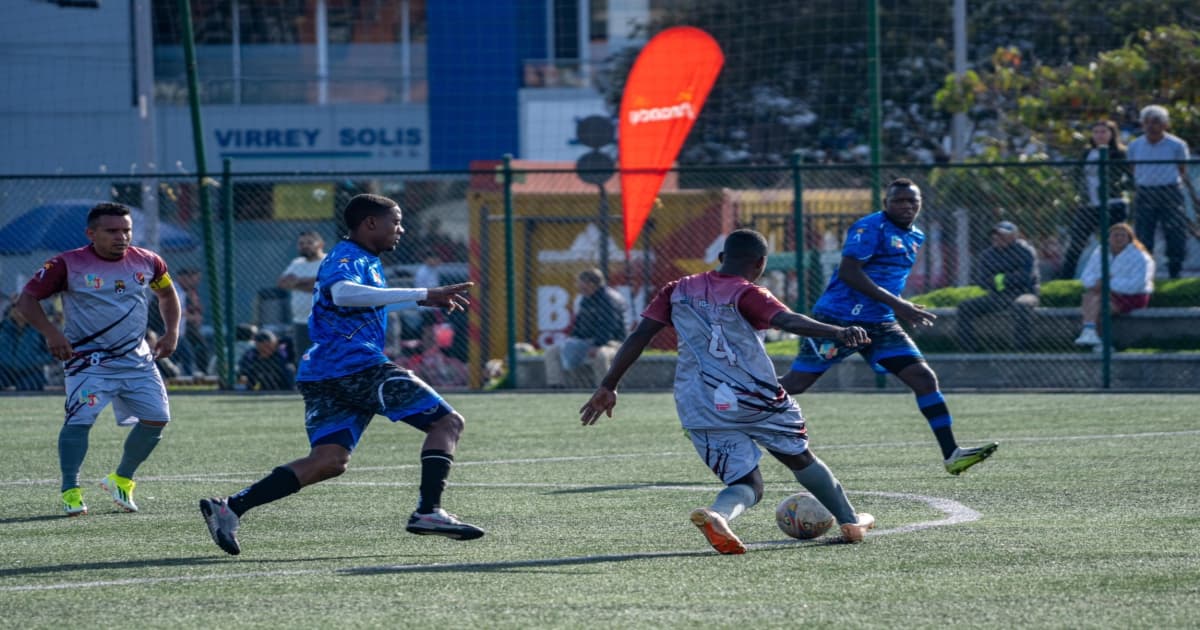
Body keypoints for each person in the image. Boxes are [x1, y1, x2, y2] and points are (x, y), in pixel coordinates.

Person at [199, 193, 483, 556]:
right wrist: (424, 290)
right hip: (354, 365)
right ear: (369, 223)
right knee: (447, 424)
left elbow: (363, 300)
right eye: (394, 221)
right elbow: (344, 294)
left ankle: (230, 508)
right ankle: (429, 511)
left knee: (329, 461)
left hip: (325, 370)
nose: (401, 228)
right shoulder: (348, 257)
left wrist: (420, 301)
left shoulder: (365, 259)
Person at [579, 229, 876, 554]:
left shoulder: (676, 289)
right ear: (761, 263)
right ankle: (850, 521)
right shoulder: (749, 293)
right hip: (753, 397)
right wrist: (838, 332)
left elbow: (640, 335)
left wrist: (609, 384)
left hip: (700, 403)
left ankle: (719, 514)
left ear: (721, 258)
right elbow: (788, 321)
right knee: (798, 456)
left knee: (748, 484)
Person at [778, 178, 999, 475]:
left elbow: (884, 279)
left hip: (881, 323)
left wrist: (895, 306)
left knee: (923, 378)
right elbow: (848, 272)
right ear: (886, 204)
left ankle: (952, 454)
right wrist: (899, 304)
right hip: (838, 320)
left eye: (912, 201)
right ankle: (727, 407)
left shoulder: (916, 235)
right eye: (899, 201)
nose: (907, 206)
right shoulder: (870, 227)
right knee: (795, 384)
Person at [15, 202, 181, 516]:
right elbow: (27, 299)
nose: (122, 236)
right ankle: (70, 490)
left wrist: (171, 331)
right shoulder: (67, 264)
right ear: (91, 233)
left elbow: (167, 294)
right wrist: (52, 332)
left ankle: (121, 479)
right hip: (88, 363)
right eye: (112, 231)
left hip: (137, 361)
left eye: (126, 230)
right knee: (80, 421)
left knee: (158, 418)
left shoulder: (149, 262)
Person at [1127, 105, 1200, 279]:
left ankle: (1175, 271)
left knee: (1175, 232)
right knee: (1144, 233)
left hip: (1170, 191)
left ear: (1165, 124)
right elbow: (1132, 168)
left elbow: (1182, 170)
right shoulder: (1135, 145)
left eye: (1156, 122)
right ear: (1142, 125)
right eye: (1147, 122)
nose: (1151, 126)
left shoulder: (1177, 145)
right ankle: (1144, 273)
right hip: (1145, 192)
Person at [1059, 120, 1131, 279]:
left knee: (1116, 243)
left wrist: (1116, 187)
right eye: (1096, 132)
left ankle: (1120, 276)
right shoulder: (1087, 153)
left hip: (1113, 205)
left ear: (1112, 134)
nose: (1099, 135)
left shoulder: (1119, 153)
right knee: (1076, 243)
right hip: (1089, 205)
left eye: (1104, 132)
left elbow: (1131, 178)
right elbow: (1076, 175)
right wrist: (1079, 191)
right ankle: (1065, 278)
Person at [956, 220, 1041, 352]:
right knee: (965, 307)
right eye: (995, 234)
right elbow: (983, 282)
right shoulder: (987, 255)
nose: (997, 237)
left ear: (1014, 236)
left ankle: (1021, 349)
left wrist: (999, 278)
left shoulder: (1026, 251)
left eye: (1002, 234)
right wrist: (1010, 277)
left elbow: (1026, 278)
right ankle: (969, 348)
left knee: (1021, 305)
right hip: (997, 296)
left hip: (1024, 293)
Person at [1074, 223, 1155, 346]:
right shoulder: (1100, 252)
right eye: (1115, 235)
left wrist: (1108, 283)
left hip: (1133, 296)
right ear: (1108, 238)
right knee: (1090, 296)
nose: (1119, 238)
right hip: (1104, 292)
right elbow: (1086, 276)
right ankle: (1090, 333)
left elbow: (1137, 285)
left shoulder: (1141, 257)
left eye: (1122, 235)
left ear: (1129, 238)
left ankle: (1101, 342)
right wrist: (1097, 283)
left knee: (1100, 306)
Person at [544, 268, 627, 388]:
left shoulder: (609, 299)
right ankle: (556, 385)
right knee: (552, 351)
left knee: (601, 355)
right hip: (587, 342)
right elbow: (579, 325)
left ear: (591, 284)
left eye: (580, 283)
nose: (578, 286)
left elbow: (609, 327)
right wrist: (572, 340)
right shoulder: (586, 299)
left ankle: (605, 388)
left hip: (612, 342)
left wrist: (598, 345)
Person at [277, 231, 326, 356]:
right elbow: (282, 283)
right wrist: (311, 282)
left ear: (320, 244)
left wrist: (296, 282)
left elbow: (324, 285)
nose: (305, 245)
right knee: (304, 361)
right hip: (300, 322)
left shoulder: (328, 261)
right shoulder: (297, 263)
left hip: (325, 321)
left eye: (309, 242)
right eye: (301, 243)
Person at [0, 299, 53, 391]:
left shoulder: (40, 328)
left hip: (30, 371)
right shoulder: (3, 326)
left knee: (30, 387)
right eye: (15, 307)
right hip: (4, 370)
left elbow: (51, 354)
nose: (19, 310)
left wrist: (34, 361)